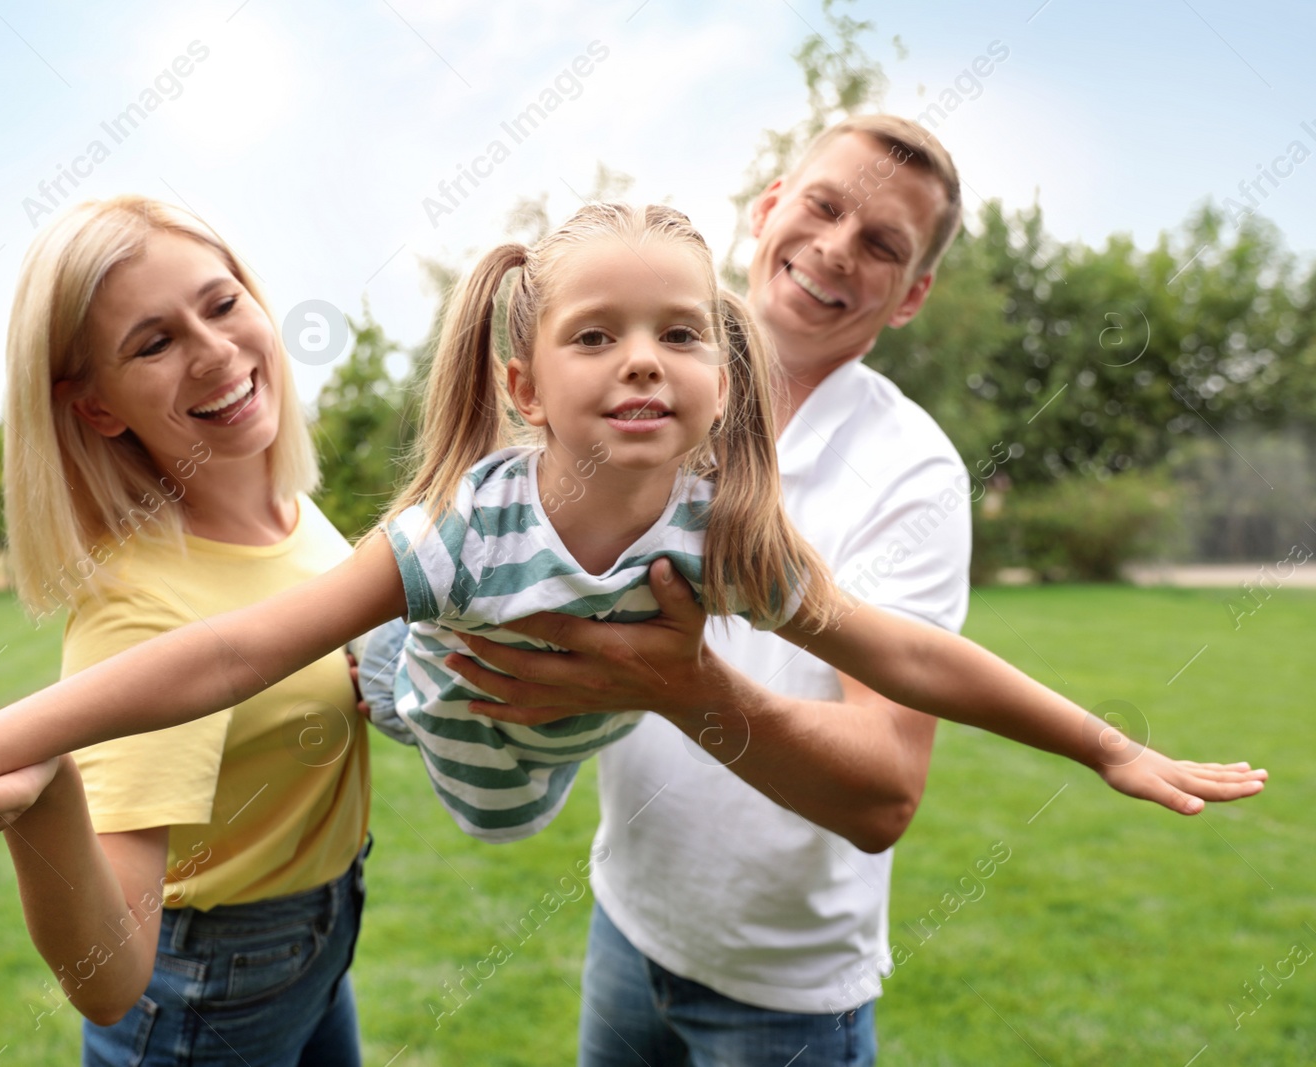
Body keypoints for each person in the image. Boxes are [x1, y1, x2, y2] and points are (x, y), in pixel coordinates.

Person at [0, 201, 1261, 894]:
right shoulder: (464, 524)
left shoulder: (728, 532)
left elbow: (908, 650)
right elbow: (226, 651)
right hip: (427, 704)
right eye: (596, 334)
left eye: (682, 334)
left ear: (726, 374)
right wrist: (3, 731)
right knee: (329, 634)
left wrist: (1104, 746)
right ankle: (332, 624)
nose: (643, 362)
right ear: (521, 382)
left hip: (538, 777)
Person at [436, 115, 1231, 1066]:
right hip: (627, 920)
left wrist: (673, 684)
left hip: (784, 999)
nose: (835, 249)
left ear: (912, 294)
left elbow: (883, 792)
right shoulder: (634, 405)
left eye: (883, 245)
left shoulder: (913, 474)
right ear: (769, 207)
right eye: (822, 206)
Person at [0, 196, 374, 1066]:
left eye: (221, 304)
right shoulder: (143, 609)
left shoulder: (291, 513)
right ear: (96, 408)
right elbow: (109, 977)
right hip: (208, 995)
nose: (216, 353)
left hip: (320, 937)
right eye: (154, 343)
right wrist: (44, 787)